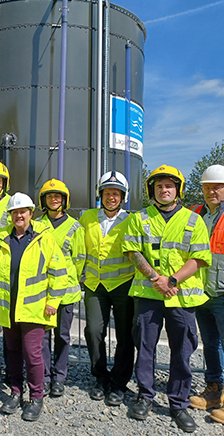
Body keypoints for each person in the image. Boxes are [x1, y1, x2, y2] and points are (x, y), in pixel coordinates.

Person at [123, 164, 212, 433]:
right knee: (146, 348)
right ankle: (145, 396)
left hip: (182, 297)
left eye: (169, 186)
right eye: (159, 186)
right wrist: (156, 279)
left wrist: (170, 280)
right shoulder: (140, 218)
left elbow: (199, 258)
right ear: (153, 190)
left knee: (182, 352)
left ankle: (179, 403)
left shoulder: (193, 220)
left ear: (178, 190)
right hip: (149, 295)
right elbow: (133, 251)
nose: (164, 190)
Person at [0, 192, 68, 421]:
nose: (19, 216)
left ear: (31, 214)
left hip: (35, 309)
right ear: (10, 215)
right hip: (8, 307)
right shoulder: (1, 238)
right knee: (13, 353)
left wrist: (53, 302)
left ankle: (36, 396)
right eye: (15, 212)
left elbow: (59, 273)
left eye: (23, 212)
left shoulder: (43, 238)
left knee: (32, 353)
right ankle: (16, 392)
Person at [79, 171, 135, 406]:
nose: (112, 197)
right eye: (107, 192)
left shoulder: (132, 220)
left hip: (123, 284)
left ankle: (119, 383)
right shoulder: (87, 217)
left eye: (116, 193)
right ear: (100, 194)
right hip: (94, 284)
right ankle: (100, 377)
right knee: (93, 331)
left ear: (123, 196)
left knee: (125, 336)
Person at [36, 179, 84, 397]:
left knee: (62, 336)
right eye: (49, 196)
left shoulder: (75, 227)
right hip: (43, 292)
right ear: (43, 200)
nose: (54, 200)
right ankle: (44, 376)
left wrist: (64, 277)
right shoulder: (36, 225)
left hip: (66, 293)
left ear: (64, 200)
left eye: (58, 196)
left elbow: (79, 260)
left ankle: (59, 377)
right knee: (43, 336)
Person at [188, 165, 224, 423]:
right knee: (210, 344)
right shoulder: (195, 214)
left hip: (223, 292)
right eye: (208, 186)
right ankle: (213, 390)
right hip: (202, 292)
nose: (212, 191)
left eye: (217, 186)